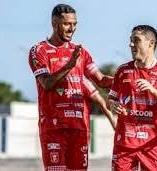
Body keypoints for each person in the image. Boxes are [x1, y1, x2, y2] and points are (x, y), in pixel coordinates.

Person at [28, 4, 113, 171]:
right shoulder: (39, 51)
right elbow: (46, 83)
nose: (72, 28)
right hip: (54, 128)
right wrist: (69, 66)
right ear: (54, 23)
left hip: (80, 128)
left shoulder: (81, 52)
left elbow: (101, 80)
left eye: (74, 24)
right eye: (67, 24)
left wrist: (125, 77)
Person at [107, 25, 157, 171]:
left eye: (136, 40)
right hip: (124, 146)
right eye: (130, 40)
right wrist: (112, 104)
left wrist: (153, 90)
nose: (131, 44)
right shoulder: (122, 70)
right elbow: (110, 99)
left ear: (151, 43)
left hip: (151, 147)